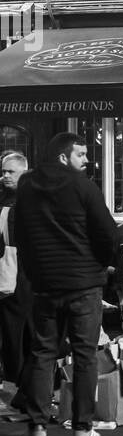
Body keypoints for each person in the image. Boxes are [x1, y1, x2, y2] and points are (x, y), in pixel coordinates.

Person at [14, 133, 118, 436]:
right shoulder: (83, 186)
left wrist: (35, 272)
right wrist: (100, 263)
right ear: (63, 156)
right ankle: (82, 427)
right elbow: (108, 233)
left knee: (43, 352)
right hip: (84, 284)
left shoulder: (27, 187)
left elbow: (21, 234)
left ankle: (37, 426)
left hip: (45, 284)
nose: (87, 160)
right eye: (81, 155)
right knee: (85, 354)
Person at [0, 152, 32, 400]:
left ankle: (19, 382)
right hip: (13, 269)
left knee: (18, 329)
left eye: (11, 171)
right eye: (4, 171)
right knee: (14, 330)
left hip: (21, 271)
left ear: (24, 171)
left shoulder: (26, 200)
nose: (5, 176)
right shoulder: (8, 199)